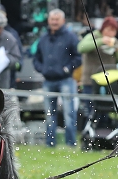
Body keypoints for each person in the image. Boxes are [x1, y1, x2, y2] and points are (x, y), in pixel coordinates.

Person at [33, 9, 81, 147]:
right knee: (49, 115)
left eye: (57, 19)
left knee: (69, 113)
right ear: (48, 21)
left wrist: (67, 69)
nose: (54, 22)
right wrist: (42, 69)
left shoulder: (71, 37)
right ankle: (50, 143)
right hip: (48, 80)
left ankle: (71, 143)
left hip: (66, 80)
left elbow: (78, 58)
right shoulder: (43, 38)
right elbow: (36, 58)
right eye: (52, 19)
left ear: (63, 21)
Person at [77, 16, 118, 118]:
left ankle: (105, 131)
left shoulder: (115, 41)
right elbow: (81, 48)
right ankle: (90, 131)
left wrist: (117, 50)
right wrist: (101, 41)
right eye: (108, 30)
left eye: (113, 31)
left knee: (106, 110)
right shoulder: (93, 36)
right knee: (91, 110)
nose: (110, 33)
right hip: (90, 81)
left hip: (108, 82)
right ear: (103, 28)